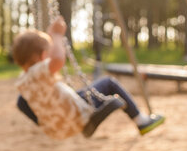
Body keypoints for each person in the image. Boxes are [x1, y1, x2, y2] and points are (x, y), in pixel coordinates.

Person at [13, 16, 165, 140]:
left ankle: (55, 123)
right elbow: (58, 60)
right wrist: (57, 36)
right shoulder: (38, 71)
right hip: (77, 116)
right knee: (108, 83)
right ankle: (141, 121)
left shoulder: (23, 81)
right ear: (40, 56)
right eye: (48, 51)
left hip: (57, 130)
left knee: (21, 101)